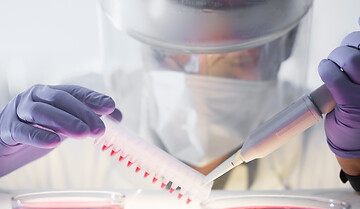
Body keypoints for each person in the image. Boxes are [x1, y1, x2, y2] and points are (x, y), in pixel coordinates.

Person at [0, 0, 359, 192]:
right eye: (175, 54)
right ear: (145, 44)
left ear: (281, 48)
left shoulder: (333, 137)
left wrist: (357, 168)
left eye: (238, 58)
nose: (201, 81)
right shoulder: (71, 130)